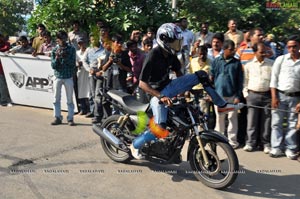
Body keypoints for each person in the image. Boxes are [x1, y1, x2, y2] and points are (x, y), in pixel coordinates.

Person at [129, 23, 241, 160]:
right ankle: (135, 145)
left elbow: (179, 74)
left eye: (178, 41)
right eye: (175, 41)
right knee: (160, 127)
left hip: (168, 88)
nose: (178, 44)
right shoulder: (153, 54)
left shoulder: (171, 55)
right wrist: (161, 96)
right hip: (154, 94)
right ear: (164, 40)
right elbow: (142, 83)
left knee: (201, 75)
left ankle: (222, 105)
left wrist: (186, 90)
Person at [269, 35, 300, 160]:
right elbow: (273, 80)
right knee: (276, 123)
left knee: (292, 124)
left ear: (299, 46)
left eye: (294, 46)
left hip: (296, 98)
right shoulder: (281, 59)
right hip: (280, 96)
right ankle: (276, 147)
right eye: (289, 46)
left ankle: (290, 148)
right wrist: (274, 97)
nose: (292, 49)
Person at [210, 39, 244, 149]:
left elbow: (240, 81)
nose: (234, 51)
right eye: (231, 49)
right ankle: (219, 139)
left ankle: (232, 142)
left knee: (232, 119)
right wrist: (211, 93)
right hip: (219, 95)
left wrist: (238, 96)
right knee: (219, 118)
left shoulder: (236, 63)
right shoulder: (216, 61)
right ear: (224, 49)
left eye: (234, 49)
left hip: (232, 96)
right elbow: (212, 77)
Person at [242, 42, 273, 153]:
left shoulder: (271, 64)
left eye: (265, 52)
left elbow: (273, 82)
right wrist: (246, 95)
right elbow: (245, 81)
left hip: (266, 96)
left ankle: (265, 144)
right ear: (255, 52)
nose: (264, 54)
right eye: (261, 52)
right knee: (251, 121)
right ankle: (250, 143)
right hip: (252, 95)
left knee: (266, 121)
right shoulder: (248, 65)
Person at [50, 30, 76, 126]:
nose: (63, 41)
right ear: (58, 39)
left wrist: (65, 58)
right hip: (58, 76)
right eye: (61, 39)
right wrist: (57, 57)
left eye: (64, 38)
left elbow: (73, 64)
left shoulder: (71, 49)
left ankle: (70, 118)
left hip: (68, 76)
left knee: (70, 99)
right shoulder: (54, 50)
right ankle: (57, 117)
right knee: (56, 98)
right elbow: (53, 65)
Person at [82, 33, 105, 122]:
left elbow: (106, 62)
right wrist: (88, 69)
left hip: (100, 74)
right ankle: (93, 111)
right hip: (91, 74)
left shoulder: (103, 49)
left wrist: (101, 72)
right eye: (91, 40)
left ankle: (98, 115)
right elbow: (84, 61)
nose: (93, 41)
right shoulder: (89, 49)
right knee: (92, 94)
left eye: (94, 39)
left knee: (98, 95)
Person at [189, 45, 211, 115]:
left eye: (204, 54)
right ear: (198, 54)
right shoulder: (193, 61)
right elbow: (189, 75)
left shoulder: (211, 62)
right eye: (200, 54)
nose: (202, 56)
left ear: (207, 53)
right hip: (193, 91)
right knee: (194, 114)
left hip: (204, 92)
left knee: (203, 114)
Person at [76, 38, 90, 115]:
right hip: (80, 73)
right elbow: (75, 62)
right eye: (79, 43)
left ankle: (89, 109)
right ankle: (83, 108)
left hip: (88, 73)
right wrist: (78, 64)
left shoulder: (89, 51)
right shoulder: (77, 53)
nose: (81, 45)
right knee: (81, 91)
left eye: (82, 43)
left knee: (88, 90)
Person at [0, 33, 12, 107]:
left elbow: (6, 48)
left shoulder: (6, 44)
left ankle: (4, 100)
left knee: (3, 85)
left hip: (4, 68)